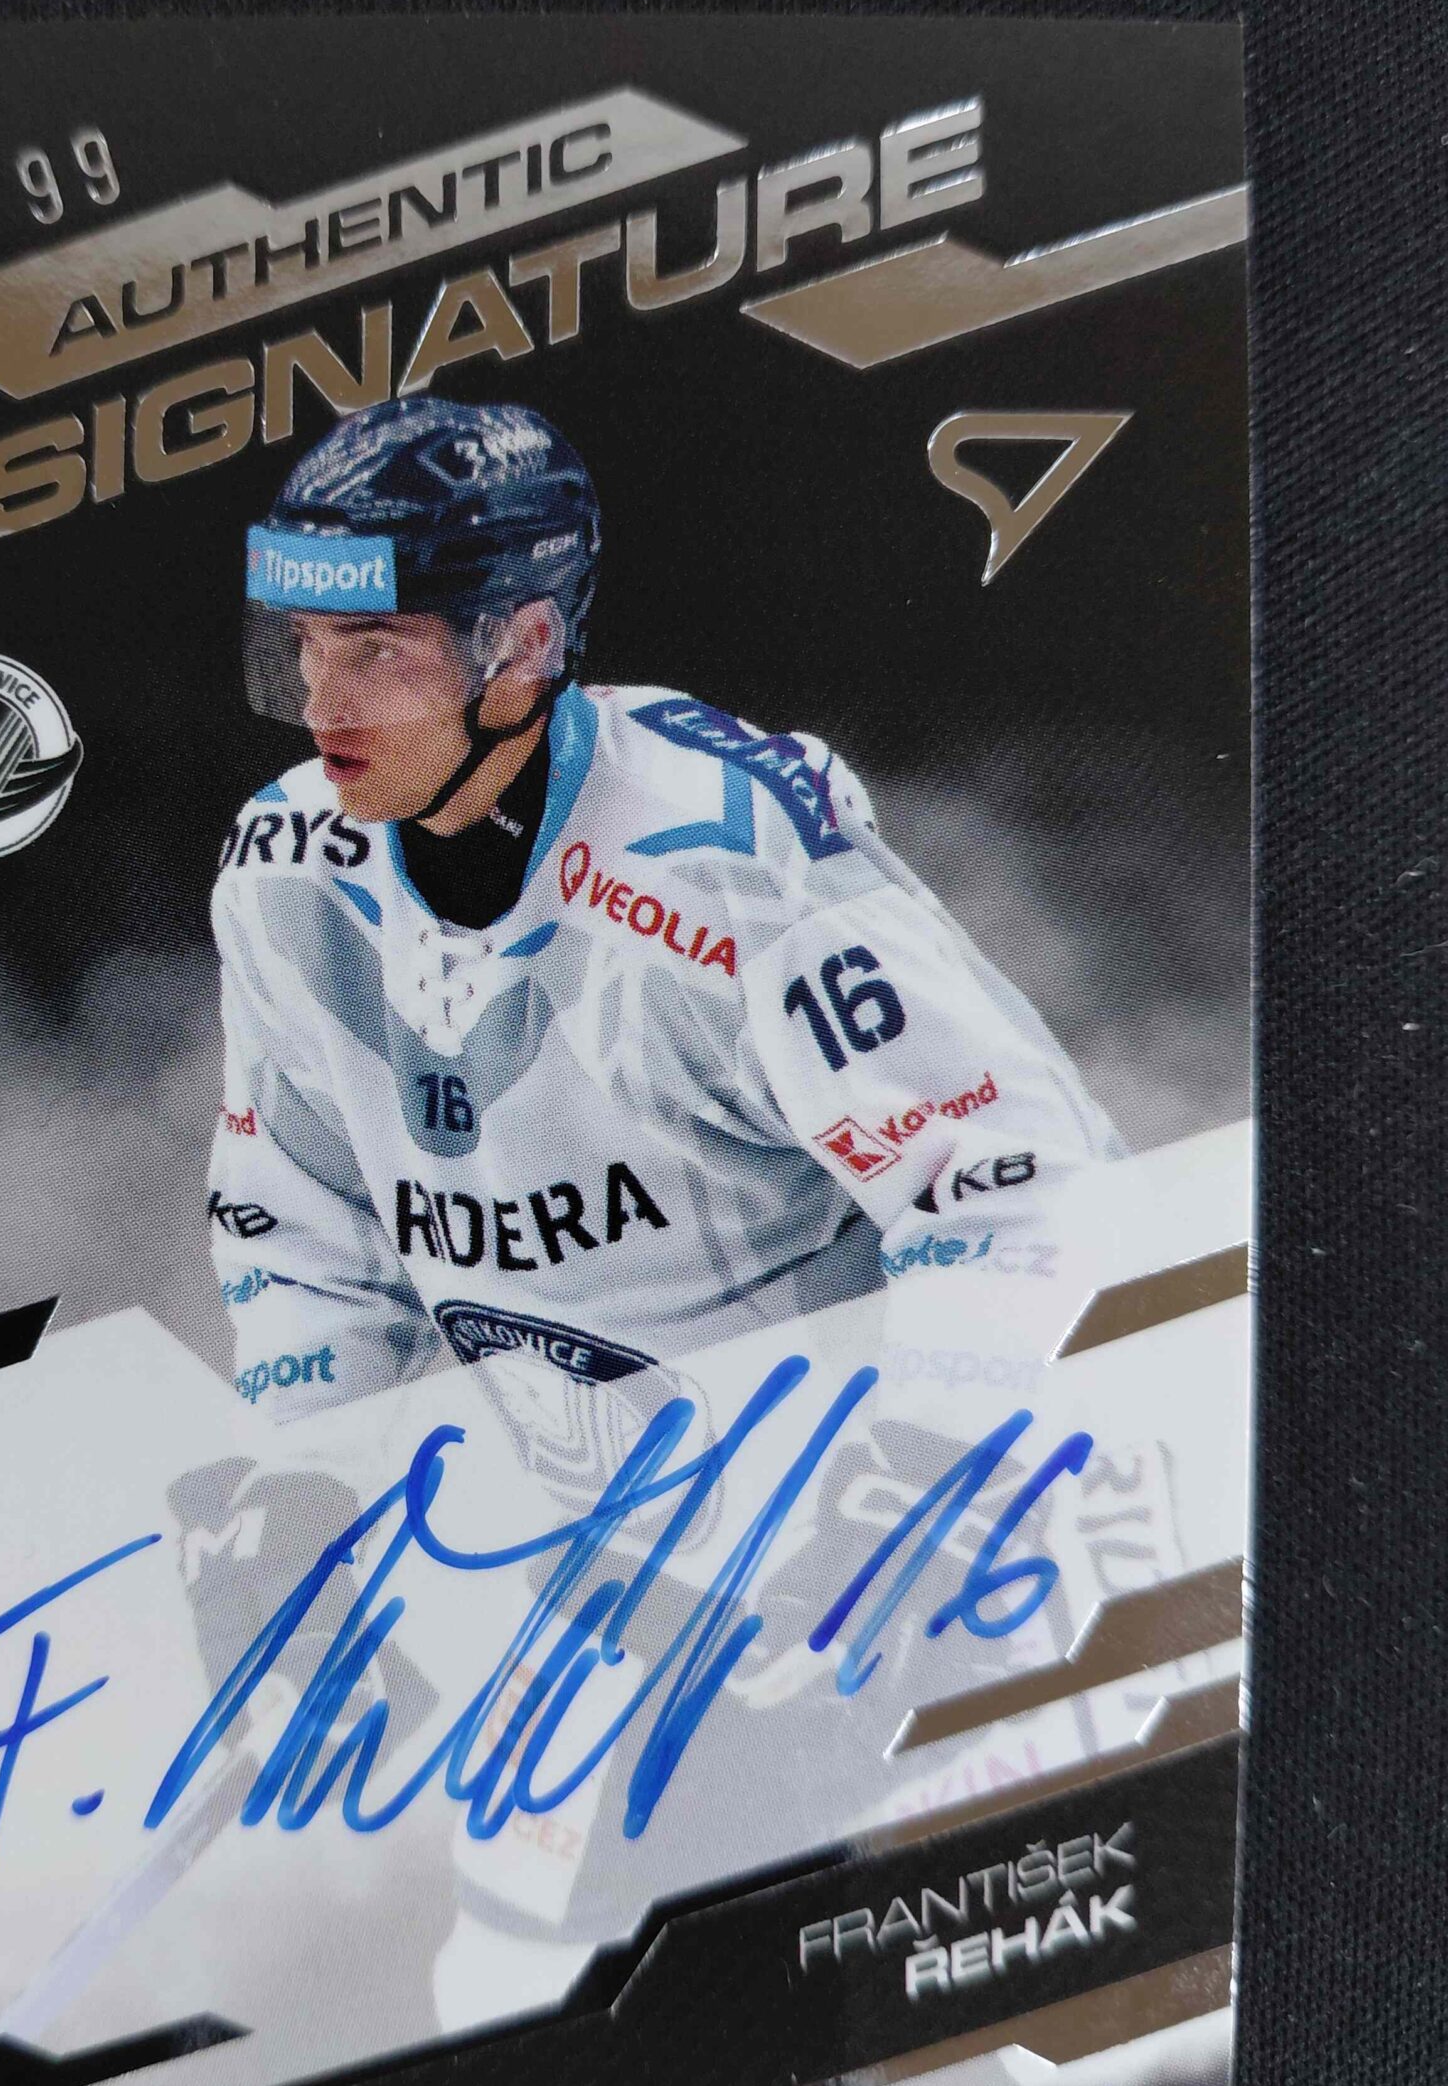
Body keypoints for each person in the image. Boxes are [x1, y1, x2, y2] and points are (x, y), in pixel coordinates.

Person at [208, 394, 1121, 1454]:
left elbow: (1020, 1176)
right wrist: (305, 1482)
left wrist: (925, 1464)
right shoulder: (285, 871)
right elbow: (306, 1246)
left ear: (522, 648)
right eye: (304, 646)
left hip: (842, 1482)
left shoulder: (726, 851)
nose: (321, 706)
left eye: (374, 653)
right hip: (592, 1514)